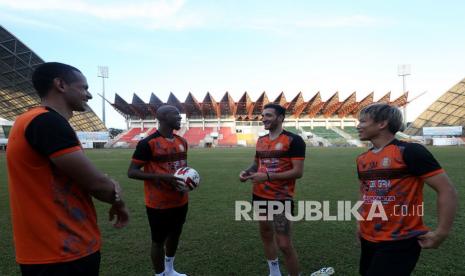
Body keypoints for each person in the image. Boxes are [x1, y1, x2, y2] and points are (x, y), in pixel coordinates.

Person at [6, 62, 129, 276]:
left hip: (44, 248)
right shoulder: (47, 122)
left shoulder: (28, 120)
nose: (88, 95)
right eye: (83, 88)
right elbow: (98, 185)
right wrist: (116, 196)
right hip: (62, 250)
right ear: (60, 84)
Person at [356, 103, 458, 276]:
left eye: (363, 121)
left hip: (399, 240)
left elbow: (447, 191)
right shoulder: (362, 158)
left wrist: (441, 232)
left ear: (382, 124)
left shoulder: (410, 151)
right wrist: (360, 223)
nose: (358, 126)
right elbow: (365, 194)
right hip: (369, 237)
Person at [239, 103, 306, 276]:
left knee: (284, 243)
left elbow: (297, 172)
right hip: (259, 195)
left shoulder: (294, 140)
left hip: (281, 198)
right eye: (263, 115)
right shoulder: (261, 140)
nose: (264, 119)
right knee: (266, 234)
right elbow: (256, 164)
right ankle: (274, 272)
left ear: (280, 118)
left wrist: (268, 177)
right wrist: (247, 172)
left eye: (268, 115)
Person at [128, 105, 189, 276]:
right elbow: (132, 172)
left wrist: (188, 179)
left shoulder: (182, 141)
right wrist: (163, 177)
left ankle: (170, 270)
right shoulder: (148, 143)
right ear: (163, 117)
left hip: (180, 200)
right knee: (158, 241)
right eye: (176, 115)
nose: (180, 118)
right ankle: (160, 274)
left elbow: (182, 168)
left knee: (175, 235)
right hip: (158, 203)